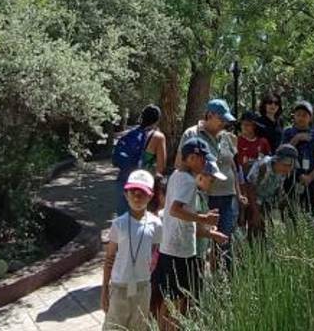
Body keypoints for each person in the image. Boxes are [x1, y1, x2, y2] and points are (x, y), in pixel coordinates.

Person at [155, 141, 226, 331]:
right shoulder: (187, 181)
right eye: (203, 159)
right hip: (179, 250)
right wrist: (204, 217)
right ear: (192, 158)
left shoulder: (177, 176)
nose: (204, 163)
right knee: (177, 300)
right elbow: (175, 210)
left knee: (171, 298)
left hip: (173, 248)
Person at [177, 99, 242, 267]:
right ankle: (198, 277)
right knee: (202, 240)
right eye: (221, 119)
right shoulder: (192, 134)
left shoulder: (226, 138)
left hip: (227, 196)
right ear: (210, 115)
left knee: (225, 239)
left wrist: (238, 192)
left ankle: (223, 281)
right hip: (203, 197)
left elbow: (233, 166)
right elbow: (181, 165)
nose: (224, 123)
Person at [101, 170, 162, 331]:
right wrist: (104, 291)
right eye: (132, 192)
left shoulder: (156, 224)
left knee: (139, 326)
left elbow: (155, 251)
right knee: (115, 326)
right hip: (119, 286)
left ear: (150, 196)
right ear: (125, 194)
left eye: (142, 193)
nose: (136, 197)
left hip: (143, 287)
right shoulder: (118, 224)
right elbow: (109, 258)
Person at [281, 101, 314, 230]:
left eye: (305, 115)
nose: (301, 118)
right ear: (294, 116)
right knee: (291, 215)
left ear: (310, 118)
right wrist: (296, 139)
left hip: (310, 181)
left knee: (310, 215)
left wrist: (311, 177)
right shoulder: (288, 133)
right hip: (291, 180)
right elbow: (281, 156)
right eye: (298, 114)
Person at [112, 105, 168, 216]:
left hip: (124, 180)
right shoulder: (158, 137)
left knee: (124, 220)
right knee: (142, 221)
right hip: (143, 184)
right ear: (157, 119)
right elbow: (161, 168)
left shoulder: (130, 134)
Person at [243, 144, 299, 236]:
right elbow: (250, 189)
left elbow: (278, 187)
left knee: (268, 233)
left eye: (290, 166)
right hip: (254, 202)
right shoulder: (263, 167)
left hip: (268, 201)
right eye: (285, 165)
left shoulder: (284, 172)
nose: (288, 169)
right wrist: (255, 212)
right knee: (255, 231)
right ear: (277, 160)